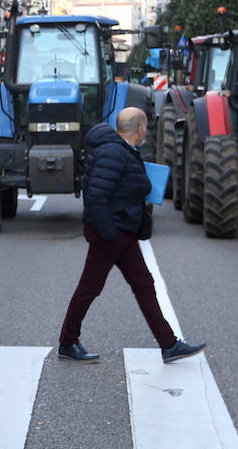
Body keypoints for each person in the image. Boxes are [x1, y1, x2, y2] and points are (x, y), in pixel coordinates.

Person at [58, 107, 206, 364]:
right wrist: (109, 233)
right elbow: (96, 196)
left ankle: (169, 345)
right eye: (146, 127)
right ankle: (67, 343)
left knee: (144, 285)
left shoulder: (120, 151)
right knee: (89, 287)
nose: (146, 132)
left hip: (121, 232)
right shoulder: (114, 153)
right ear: (139, 129)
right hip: (111, 233)